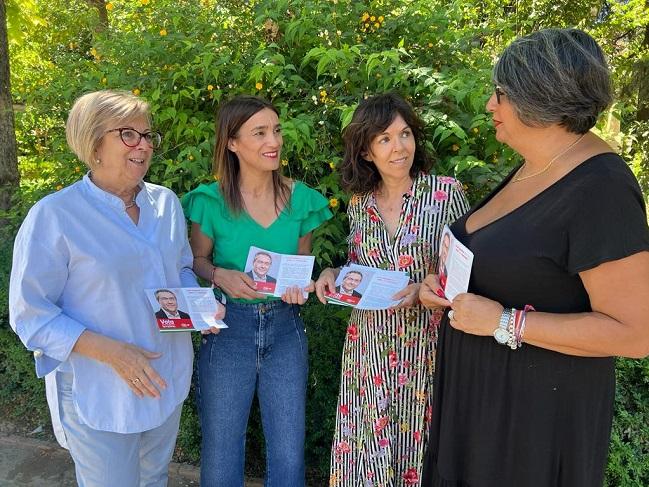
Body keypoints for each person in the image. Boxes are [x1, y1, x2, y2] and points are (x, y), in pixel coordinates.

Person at [419, 28, 649, 487]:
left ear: (537, 99)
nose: (490, 106)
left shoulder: (601, 189)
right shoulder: (535, 164)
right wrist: (441, 284)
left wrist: (505, 321)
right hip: (479, 410)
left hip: (531, 427)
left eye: (500, 94)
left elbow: (636, 334)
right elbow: (516, 263)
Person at [8, 90, 220, 486]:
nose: (143, 145)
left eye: (147, 135)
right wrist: (111, 352)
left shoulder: (166, 204)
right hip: (101, 389)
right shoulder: (55, 216)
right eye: (128, 134)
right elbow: (29, 314)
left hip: (165, 379)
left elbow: (181, 270)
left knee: (154, 479)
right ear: (94, 143)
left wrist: (199, 305)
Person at [315, 92, 469, 486]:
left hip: (425, 345)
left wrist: (425, 286)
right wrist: (334, 273)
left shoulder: (445, 192)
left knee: (419, 443)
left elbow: (465, 273)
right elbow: (358, 267)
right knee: (366, 444)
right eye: (384, 139)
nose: (399, 147)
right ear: (366, 152)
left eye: (404, 134)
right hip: (368, 346)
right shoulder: (358, 203)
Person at [182, 95, 332, 486]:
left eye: (277, 130)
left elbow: (301, 269)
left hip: (285, 330)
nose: (275, 141)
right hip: (229, 328)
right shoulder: (209, 201)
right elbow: (196, 261)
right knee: (221, 448)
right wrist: (219, 275)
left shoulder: (303, 200)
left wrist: (302, 288)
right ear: (232, 143)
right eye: (260, 132)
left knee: (288, 452)